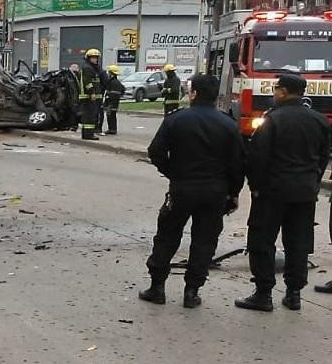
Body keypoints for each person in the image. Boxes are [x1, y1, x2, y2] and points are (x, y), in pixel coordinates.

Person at [139, 74, 244, 308]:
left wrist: (173, 173)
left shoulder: (176, 120)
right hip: (215, 191)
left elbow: (155, 151)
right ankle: (192, 291)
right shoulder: (228, 124)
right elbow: (238, 164)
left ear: (194, 93)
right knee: (205, 240)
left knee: (167, 235)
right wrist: (233, 192)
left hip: (182, 188)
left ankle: (157, 287)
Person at [235, 73, 330, 312]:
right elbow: (323, 157)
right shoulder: (319, 120)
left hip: (272, 191)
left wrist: (255, 187)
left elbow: (258, 158)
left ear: (285, 92)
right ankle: (294, 293)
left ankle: (263, 293)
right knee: (298, 241)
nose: (274, 93)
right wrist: (313, 182)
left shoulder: (272, 120)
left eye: (276, 89)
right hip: (305, 192)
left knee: (262, 240)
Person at [77, 49, 103, 141]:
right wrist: (92, 93)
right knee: (89, 116)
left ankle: (87, 134)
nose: (95, 59)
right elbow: (87, 82)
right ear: (88, 58)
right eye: (93, 57)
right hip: (87, 96)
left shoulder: (92, 68)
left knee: (88, 116)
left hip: (89, 96)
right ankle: (89, 134)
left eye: (96, 57)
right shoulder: (88, 68)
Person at [101, 65, 126, 135]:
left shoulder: (113, 82)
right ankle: (112, 129)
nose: (108, 74)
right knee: (111, 115)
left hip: (112, 102)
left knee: (111, 116)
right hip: (114, 102)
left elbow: (113, 94)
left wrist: (109, 103)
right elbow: (123, 90)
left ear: (111, 74)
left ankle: (112, 129)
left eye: (109, 73)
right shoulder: (116, 81)